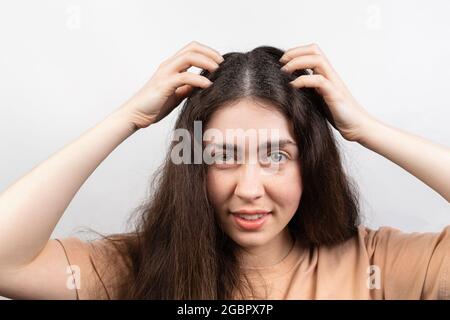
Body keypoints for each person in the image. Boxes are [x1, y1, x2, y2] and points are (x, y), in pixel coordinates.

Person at [0, 41, 449, 300]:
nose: (249, 188)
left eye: (276, 156)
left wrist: (367, 130)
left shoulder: (376, 265)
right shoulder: (136, 268)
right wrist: (127, 119)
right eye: (222, 156)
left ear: (309, 163)